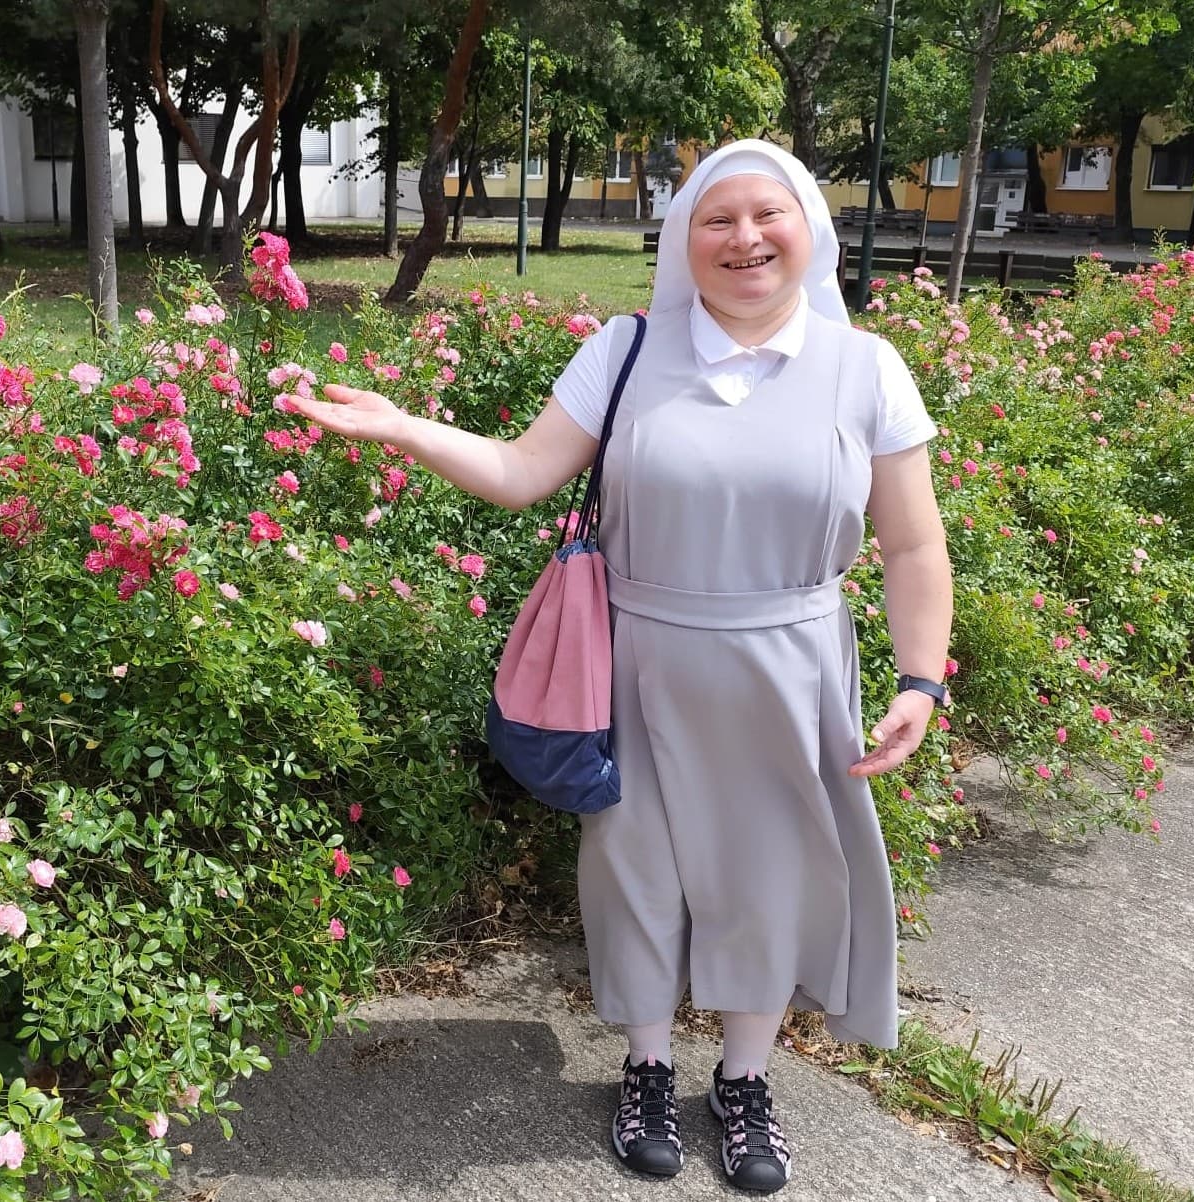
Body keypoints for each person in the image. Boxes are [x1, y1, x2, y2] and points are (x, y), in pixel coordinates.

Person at [288, 138, 953, 1194]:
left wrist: (922, 678)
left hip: (794, 663)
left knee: (770, 874)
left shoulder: (864, 367)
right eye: (715, 219)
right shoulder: (630, 348)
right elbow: (519, 472)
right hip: (637, 659)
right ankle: (646, 1063)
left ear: (808, 230)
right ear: (686, 239)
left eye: (765, 216)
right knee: (632, 868)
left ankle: (743, 1079)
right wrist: (399, 424)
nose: (744, 239)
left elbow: (914, 544)